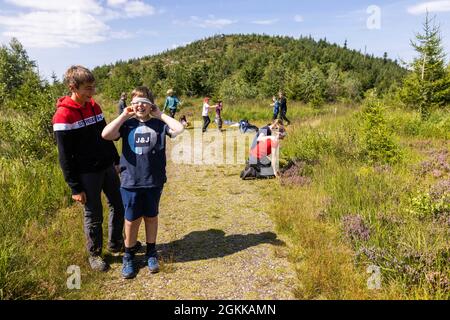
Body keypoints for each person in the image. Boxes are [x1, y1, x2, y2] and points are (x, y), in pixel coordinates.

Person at [102, 86, 184, 279]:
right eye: (136, 102)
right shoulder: (127, 125)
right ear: (131, 105)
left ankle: (151, 252)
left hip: (153, 180)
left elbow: (179, 129)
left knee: (151, 216)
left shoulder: (158, 124)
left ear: (151, 105)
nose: (140, 105)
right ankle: (128, 255)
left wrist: (160, 114)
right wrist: (123, 115)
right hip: (130, 181)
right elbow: (106, 135)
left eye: (145, 102)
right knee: (131, 220)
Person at [52, 65, 125, 272]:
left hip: (107, 167)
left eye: (93, 87)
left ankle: (115, 243)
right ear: (72, 86)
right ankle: (95, 254)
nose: (92, 92)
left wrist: (116, 160)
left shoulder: (94, 106)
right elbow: (64, 157)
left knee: (118, 205)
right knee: (94, 214)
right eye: (87, 88)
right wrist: (75, 187)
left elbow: (106, 136)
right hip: (86, 174)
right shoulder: (63, 116)